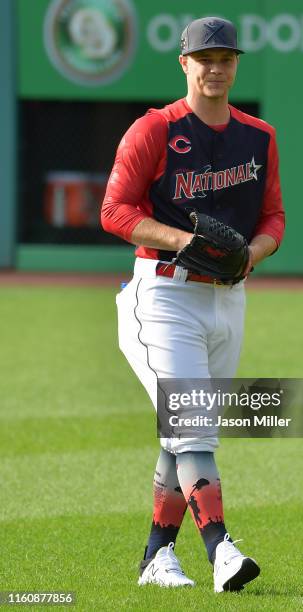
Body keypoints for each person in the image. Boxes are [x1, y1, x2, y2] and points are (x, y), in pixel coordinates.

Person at [101, 16, 285, 592]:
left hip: (228, 300)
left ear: (236, 64)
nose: (215, 67)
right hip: (162, 294)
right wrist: (187, 242)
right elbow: (115, 211)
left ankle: (157, 557)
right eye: (204, 58)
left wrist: (248, 253)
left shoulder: (259, 136)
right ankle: (221, 550)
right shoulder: (153, 130)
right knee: (194, 426)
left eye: (225, 57)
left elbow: (274, 218)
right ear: (184, 63)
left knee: (181, 434)